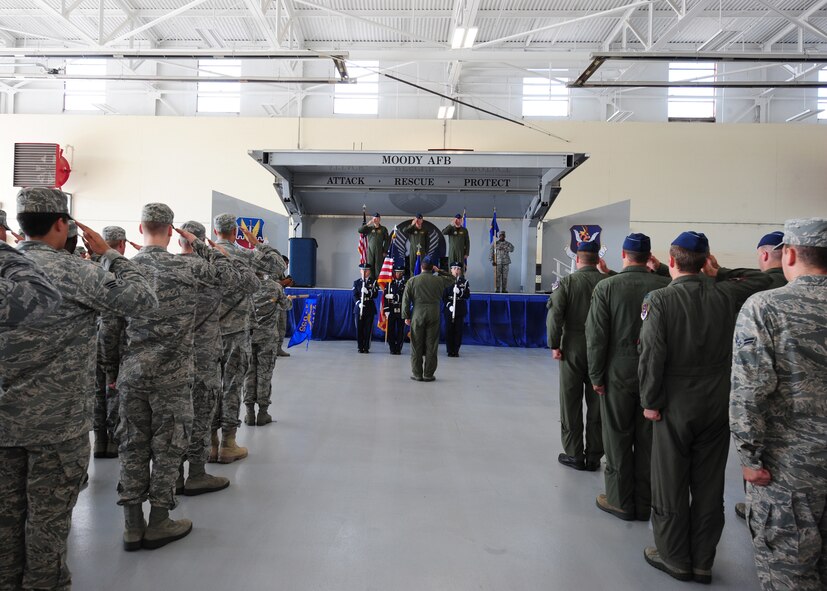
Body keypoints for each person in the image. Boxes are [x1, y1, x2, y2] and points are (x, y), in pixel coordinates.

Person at [0, 188, 156, 588]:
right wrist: (111, 255)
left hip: (3, 425)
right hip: (58, 427)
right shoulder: (78, 272)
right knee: (48, 524)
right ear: (61, 224)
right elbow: (143, 300)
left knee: (3, 523)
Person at [638, 231, 773, 584]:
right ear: (706, 261)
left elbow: (652, 355)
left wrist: (650, 401)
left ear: (671, 262)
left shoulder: (661, 300)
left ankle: (675, 558)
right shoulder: (727, 294)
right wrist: (719, 272)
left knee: (670, 480)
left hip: (674, 402)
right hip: (717, 400)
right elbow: (765, 278)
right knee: (710, 483)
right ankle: (702, 561)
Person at [117, 204, 236, 551]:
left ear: (140, 228)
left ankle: (131, 526)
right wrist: (199, 244)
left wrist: (112, 372)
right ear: (172, 231)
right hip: (173, 375)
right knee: (169, 448)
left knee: (132, 448)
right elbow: (237, 277)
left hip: (133, 374)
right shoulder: (190, 267)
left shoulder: (125, 269)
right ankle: (158, 522)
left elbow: (109, 330)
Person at [730, 218, 827, 591]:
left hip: (789, 470)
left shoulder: (766, 308)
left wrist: (750, 459)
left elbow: (750, 391)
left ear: (788, 254)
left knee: (791, 571)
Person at [585, 233, 670, 521]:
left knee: (617, 435)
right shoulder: (665, 285)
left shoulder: (607, 287)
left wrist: (596, 375)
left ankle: (620, 499)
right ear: (649, 256)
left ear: (623, 254)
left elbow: (596, 336)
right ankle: (644, 500)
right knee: (648, 439)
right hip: (654, 371)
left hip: (618, 370)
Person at [176, 220, 244, 496]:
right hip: (218, 340)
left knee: (179, 412)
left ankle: (174, 475)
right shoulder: (216, 267)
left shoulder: (164, 267)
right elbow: (253, 279)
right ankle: (222, 446)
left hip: (176, 351)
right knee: (218, 395)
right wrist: (218, 254)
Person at [212, 213, 286, 464]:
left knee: (208, 387)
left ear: (214, 232)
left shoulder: (204, 255)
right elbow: (279, 266)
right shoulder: (244, 255)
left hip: (206, 333)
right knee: (232, 386)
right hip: (235, 333)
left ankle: (209, 443)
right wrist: (258, 244)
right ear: (235, 233)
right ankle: (227, 443)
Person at [733, 229, 789, 520]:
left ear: (764, 255)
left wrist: (748, 455)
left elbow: (751, 388)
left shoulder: (761, 297)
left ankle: (756, 505)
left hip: (775, 412)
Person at [547, 241, 611, 471]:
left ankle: (574, 453)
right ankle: (594, 455)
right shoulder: (608, 282)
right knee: (597, 401)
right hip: (602, 348)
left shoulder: (566, 282)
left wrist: (554, 344)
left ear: (577, 260)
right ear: (598, 260)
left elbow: (555, 316)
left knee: (571, 400)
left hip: (572, 346)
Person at [93, 225, 129, 460]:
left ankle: (99, 441)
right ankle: (114, 441)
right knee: (115, 390)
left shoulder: (90, 269)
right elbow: (112, 322)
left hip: (92, 344)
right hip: (115, 343)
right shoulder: (122, 274)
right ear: (122, 245)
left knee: (98, 392)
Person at [244, 259, 293, 426]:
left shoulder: (245, 286)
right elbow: (287, 306)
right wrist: (289, 299)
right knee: (264, 374)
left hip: (248, 337)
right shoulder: (274, 287)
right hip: (267, 338)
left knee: (249, 374)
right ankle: (262, 413)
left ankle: (249, 413)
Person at [401, 256, 455, 381]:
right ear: (432, 268)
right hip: (434, 314)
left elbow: (406, 299)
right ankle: (428, 374)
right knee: (432, 344)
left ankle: (417, 374)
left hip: (418, 314)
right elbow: (452, 279)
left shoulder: (412, 281)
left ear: (421, 267)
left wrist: (406, 316)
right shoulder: (439, 280)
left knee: (416, 344)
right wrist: (440, 270)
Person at [442, 261, 470, 357]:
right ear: (451, 270)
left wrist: (459, 293)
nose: (456, 270)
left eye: (458, 268)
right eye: (454, 268)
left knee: (458, 330)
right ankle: (450, 350)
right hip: (449, 308)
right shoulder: (446, 281)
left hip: (460, 308)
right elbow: (443, 297)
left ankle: (456, 350)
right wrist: (449, 305)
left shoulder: (464, 282)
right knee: (449, 329)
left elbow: (467, 295)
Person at [353, 263, 379, 353]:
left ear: (369, 271)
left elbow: (375, 295)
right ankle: (360, 347)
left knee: (368, 329)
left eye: (366, 270)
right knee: (359, 329)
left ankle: (366, 347)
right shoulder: (356, 282)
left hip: (369, 307)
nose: (364, 272)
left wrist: (368, 292)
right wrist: (358, 303)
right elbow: (354, 295)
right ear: (360, 271)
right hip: (359, 308)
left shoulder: (374, 282)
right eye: (363, 270)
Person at [358, 213, 389, 282]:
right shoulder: (369, 229)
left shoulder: (383, 229)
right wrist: (368, 223)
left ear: (379, 219)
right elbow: (360, 230)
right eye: (374, 218)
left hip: (379, 251)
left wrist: (385, 251)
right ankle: (371, 283)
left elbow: (387, 240)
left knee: (378, 267)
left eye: (377, 218)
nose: (376, 220)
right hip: (370, 251)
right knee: (370, 266)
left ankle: (378, 283)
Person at [384, 265, 407, 355]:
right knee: (391, 330)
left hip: (401, 308)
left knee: (401, 330)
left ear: (403, 273)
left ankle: (399, 348)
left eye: (400, 272)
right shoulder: (390, 284)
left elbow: (407, 297)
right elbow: (385, 297)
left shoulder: (406, 284)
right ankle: (392, 348)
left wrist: (396, 296)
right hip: (392, 309)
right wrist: (386, 309)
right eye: (397, 272)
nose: (398, 274)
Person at [275, 274, 294, 358]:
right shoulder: (269, 269)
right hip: (272, 304)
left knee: (282, 327)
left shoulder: (281, 272)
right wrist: (282, 282)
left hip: (281, 303)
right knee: (272, 328)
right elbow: (268, 283)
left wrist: (286, 283)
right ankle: (270, 350)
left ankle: (278, 348)